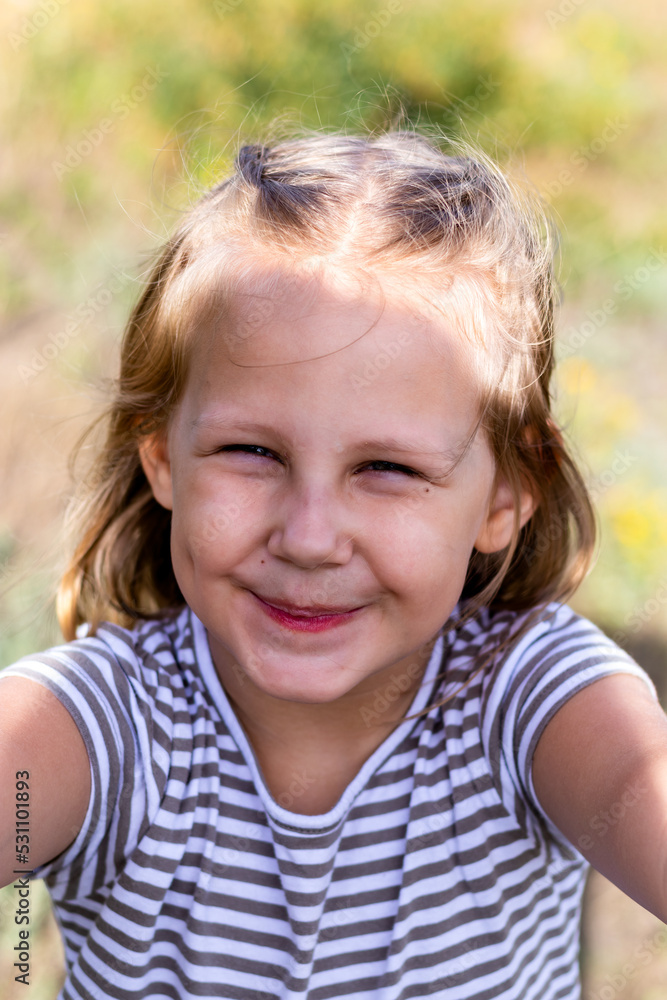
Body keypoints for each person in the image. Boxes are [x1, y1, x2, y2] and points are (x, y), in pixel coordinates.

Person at [1, 129, 666, 1000]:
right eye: (251, 452)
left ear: (507, 492)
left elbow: (634, 778)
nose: (310, 537)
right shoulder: (107, 729)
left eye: (385, 470)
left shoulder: (529, 698)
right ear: (161, 453)